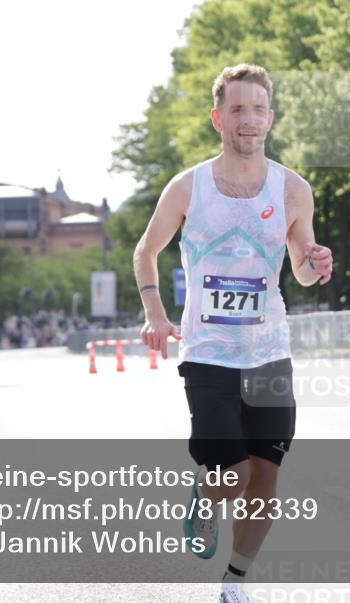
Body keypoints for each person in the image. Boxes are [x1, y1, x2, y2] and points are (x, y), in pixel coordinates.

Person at [134, 64, 333, 603]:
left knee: (266, 479)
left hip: (269, 353)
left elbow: (301, 268)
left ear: (271, 117)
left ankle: (235, 582)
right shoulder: (188, 187)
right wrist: (155, 314)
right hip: (208, 355)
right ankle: (205, 490)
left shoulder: (293, 189)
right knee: (233, 475)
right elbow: (145, 251)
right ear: (218, 117)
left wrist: (317, 262)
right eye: (238, 109)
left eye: (258, 109)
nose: (249, 120)